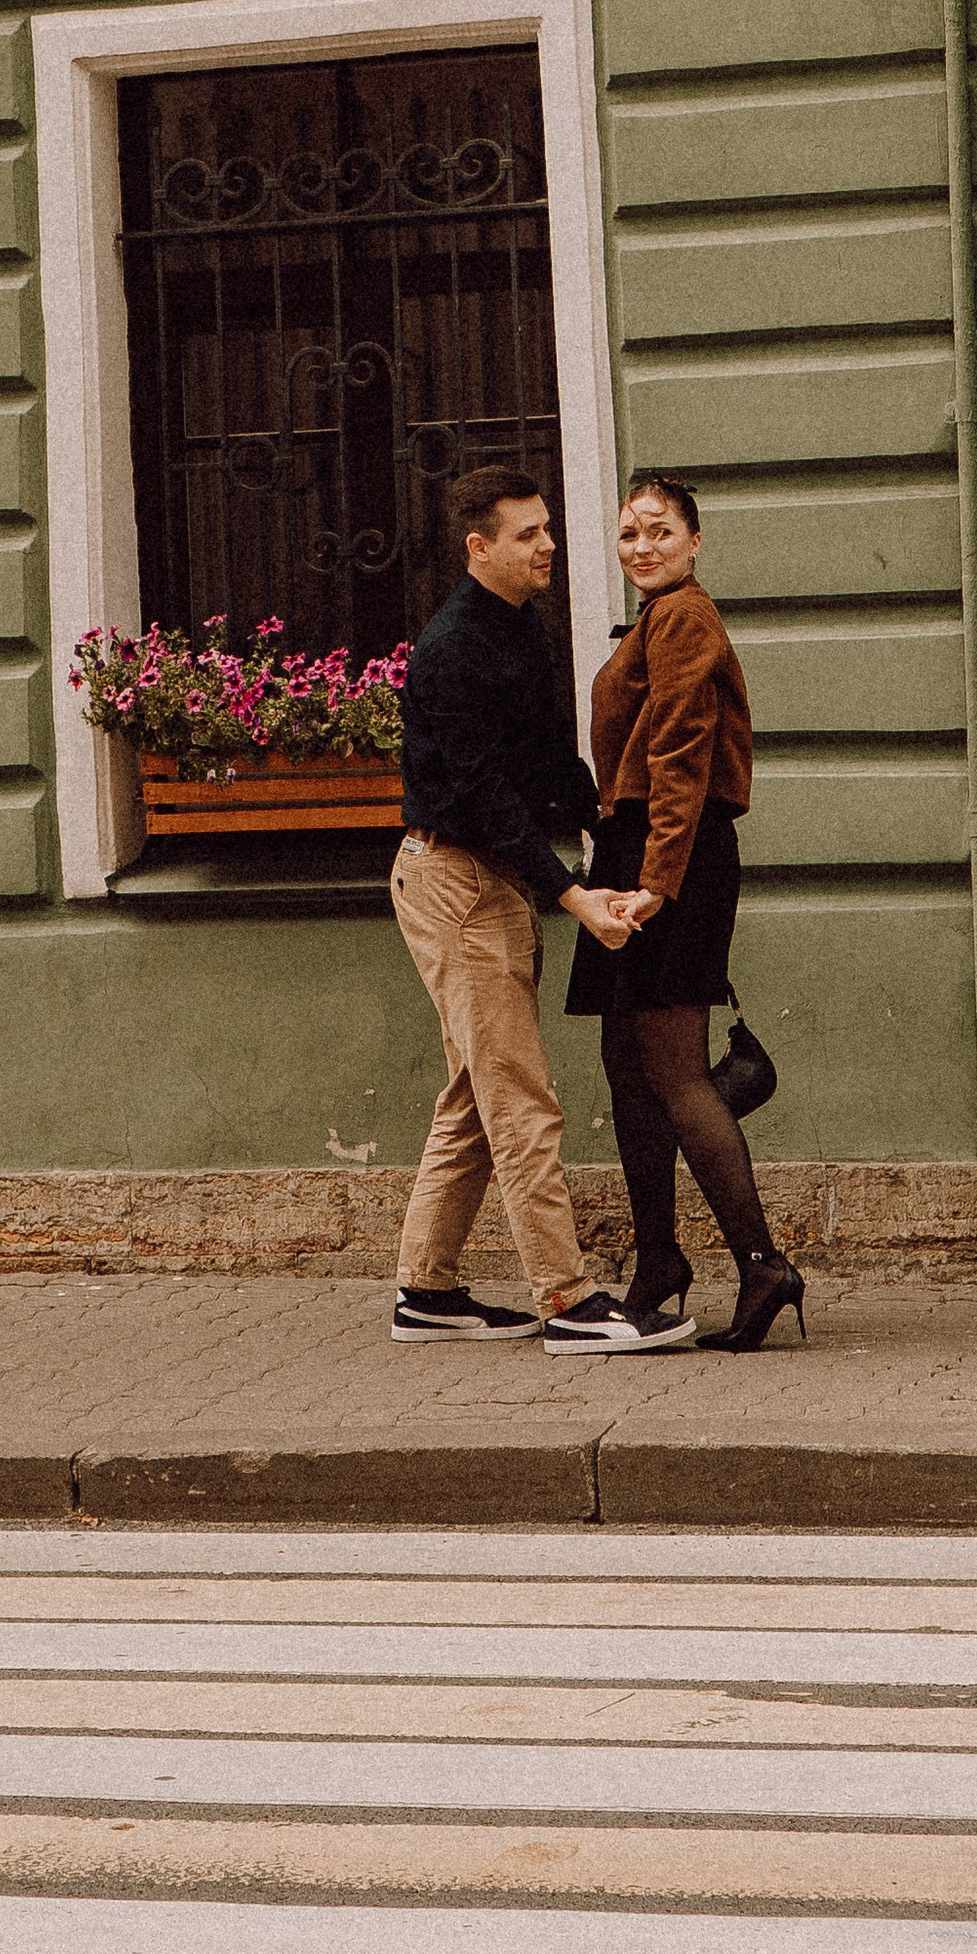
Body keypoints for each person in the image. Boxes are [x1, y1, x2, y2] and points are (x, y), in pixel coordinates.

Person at [388, 467, 669, 1352]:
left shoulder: (518, 629)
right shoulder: (452, 650)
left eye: (548, 528)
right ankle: (567, 1301)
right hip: (458, 882)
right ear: (480, 549)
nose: (549, 544)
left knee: (475, 1097)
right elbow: (479, 797)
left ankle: (426, 1294)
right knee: (521, 1101)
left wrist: (605, 826)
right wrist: (572, 892)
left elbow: (547, 758)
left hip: (489, 884)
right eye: (528, 535)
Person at [569, 469, 807, 1354]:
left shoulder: (684, 617)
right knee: (626, 1061)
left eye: (660, 531)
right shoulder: (655, 619)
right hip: (639, 848)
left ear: (695, 541)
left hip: (674, 852)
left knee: (672, 1069)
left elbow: (680, 753)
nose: (643, 547)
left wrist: (659, 882)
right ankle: (658, 1264)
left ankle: (762, 1265)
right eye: (629, 533)